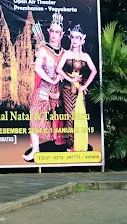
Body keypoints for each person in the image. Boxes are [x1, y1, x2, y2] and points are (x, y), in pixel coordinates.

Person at [23, 12, 65, 162]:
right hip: (43, 90)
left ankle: (61, 142)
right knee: (35, 117)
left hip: (58, 93)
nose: (54, 34)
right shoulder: (43, 49)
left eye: (57, 32)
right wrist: (52, 80)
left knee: (59, 119)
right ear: (49, 32)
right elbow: (38, 68)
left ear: (62, 34)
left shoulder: (65, 53)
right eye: (52, 31)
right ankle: (35, 149)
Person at [56, 24, 98, 152]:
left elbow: (94, 71)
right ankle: (72, 144)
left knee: (80, 116)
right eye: (73, 37)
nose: (75, 40)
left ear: (82, 40)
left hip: (79, 91)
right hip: (68, 89)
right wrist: (71, 79)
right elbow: (58, 69)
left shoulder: (85, 56)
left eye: (78, 38)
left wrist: (85, 85)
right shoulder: (67, 54)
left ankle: (79, 145)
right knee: (70, 116)